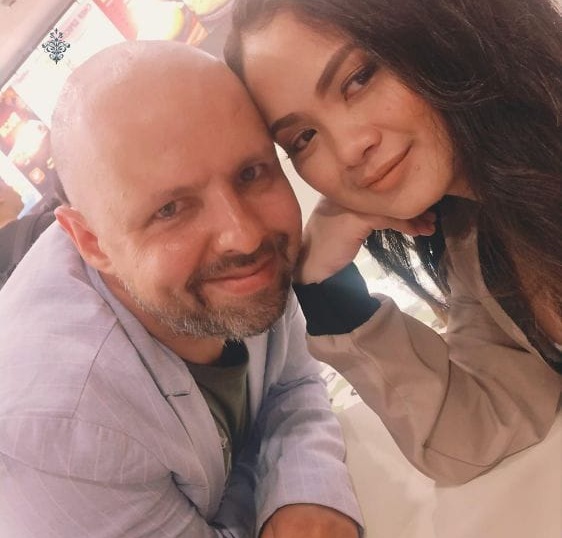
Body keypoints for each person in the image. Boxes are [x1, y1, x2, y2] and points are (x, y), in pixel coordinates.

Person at [0, 41, 362, 538]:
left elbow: (291, 382)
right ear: (92, 241)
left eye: (251, 173)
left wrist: (304, 489)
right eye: (170, 209)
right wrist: (284, 483)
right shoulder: (53, 426)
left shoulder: (238, 274)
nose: (244, 235)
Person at [224, 0, 562, 484]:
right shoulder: (476, 238)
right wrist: (328, 289)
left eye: (358, 78)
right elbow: (475, 433)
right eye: (304, 137)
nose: (348, 148)